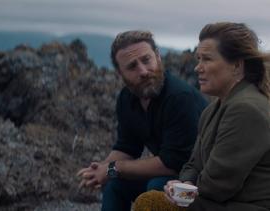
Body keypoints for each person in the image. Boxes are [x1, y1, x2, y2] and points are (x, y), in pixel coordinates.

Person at [133, 22, 270, 211]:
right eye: (198, 59)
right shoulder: (213, 110)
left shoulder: (247, 110)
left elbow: (219, 184)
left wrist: (182, 191)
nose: (198, 67)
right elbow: (192, 164)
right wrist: (184, 184)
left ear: (237, 65)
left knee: (150, 203)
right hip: (213, 202)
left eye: (207, 59)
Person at [77, 30, 208, 211]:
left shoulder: (180, 98)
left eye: (146, 60)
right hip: (172, 175)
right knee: (114, 185)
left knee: (155, 188)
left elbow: (172, 163)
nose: (143, 71)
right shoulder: (127, 99)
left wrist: (113, 168)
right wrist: (100, 170)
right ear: (120, 74)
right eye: (132, 67)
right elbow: (127, 147)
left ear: (158, 57)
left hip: (198, 184)